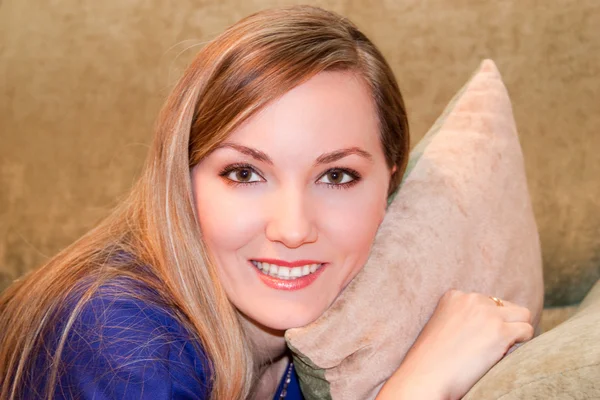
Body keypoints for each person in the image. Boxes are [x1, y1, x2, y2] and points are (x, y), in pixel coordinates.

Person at [0, 5, 534, 400]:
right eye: (244, 172)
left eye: (338, 175)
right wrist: (418, 387)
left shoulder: (347, 330)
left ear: (389, 187)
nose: (294, 227)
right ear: (181, 182)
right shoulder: (118, 338)